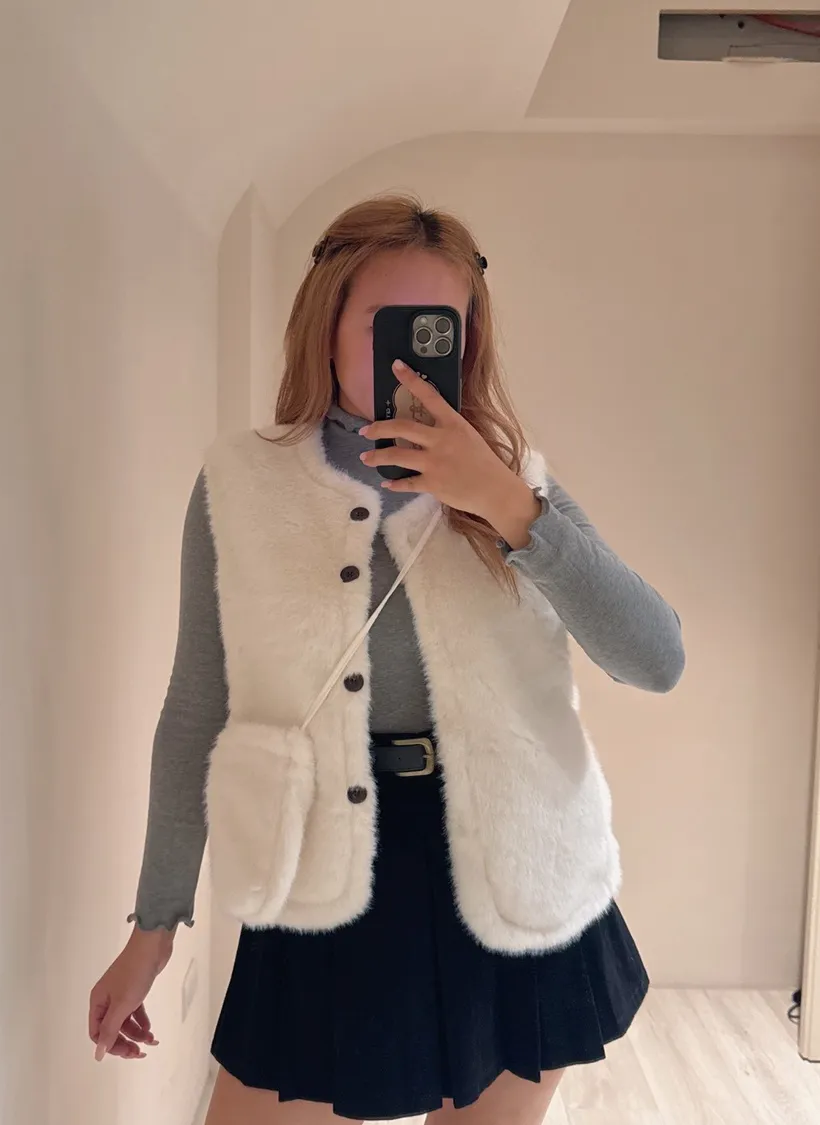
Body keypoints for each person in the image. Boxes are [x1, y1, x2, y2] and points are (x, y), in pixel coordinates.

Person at [88, 195, 685, 1124]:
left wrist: (507, 506)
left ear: (469, 340)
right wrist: (155, 924)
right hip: (323, 871)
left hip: (516, 864)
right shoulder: (240, 485)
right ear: (325, 325)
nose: (411, 357)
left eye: (439, 328)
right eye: (387, 325)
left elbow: (656, 658)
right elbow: (195, 708)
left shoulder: (516, 481)